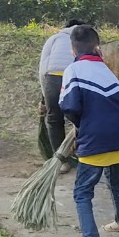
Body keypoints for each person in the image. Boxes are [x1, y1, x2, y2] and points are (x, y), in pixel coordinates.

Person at [59, 24, 119, 237]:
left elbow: (69, 106)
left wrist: (79, 129)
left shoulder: (73, 70)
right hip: (118, 137)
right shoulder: (106, 70)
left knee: (82, 191)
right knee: (115, 180)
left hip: (94, 139)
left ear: (73, 50)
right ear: (97, 48)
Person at [39, 17, 83, 153]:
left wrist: (44, 98)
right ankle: (82, 151)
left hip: (53, 78)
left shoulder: (54, 38)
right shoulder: (86, 38)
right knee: (83, 117)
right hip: (74, 78)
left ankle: (59, 158)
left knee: (54, 119)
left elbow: (43, 68)